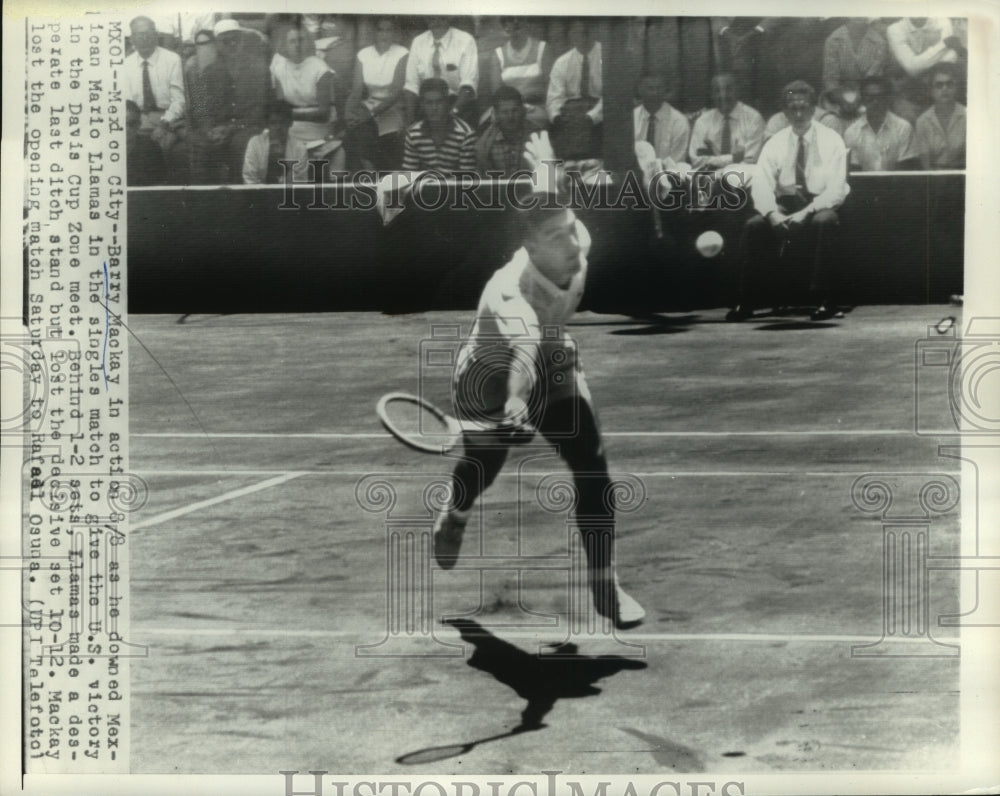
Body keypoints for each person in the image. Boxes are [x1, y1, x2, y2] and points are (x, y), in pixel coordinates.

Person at [432, 130, 645, 630]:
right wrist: (514, 402)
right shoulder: (512, 293)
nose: (573, 243)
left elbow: (557, 205)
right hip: (488, 375)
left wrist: (548, 166)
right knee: (485, 464)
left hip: (551, 356)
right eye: (556, 238)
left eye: (572, 229)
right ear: (529, 247)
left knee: (592, 463)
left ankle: (605, 584)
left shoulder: (572, 239)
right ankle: (455, 513)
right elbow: (521, 351)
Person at [727, 81, 850, 322]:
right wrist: (773, 214)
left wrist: (807, 212)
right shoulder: (775, 143)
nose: (798, 113)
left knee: (824, 222)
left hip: (819, 204)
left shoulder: (831, 139)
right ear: (784, 112)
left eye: (804, 107)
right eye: (792, 108)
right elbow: (761, 184)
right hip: (787, 204)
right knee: (754, 225)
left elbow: (836, 189)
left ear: (814, 108)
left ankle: (827, 301)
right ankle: (747, 301)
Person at [270, 23, 343, 180]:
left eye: (301, 40)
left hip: (319, 129)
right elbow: (280, 109)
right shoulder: (279, 68)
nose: (297, 45)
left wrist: (290, 114)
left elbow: (324, 113)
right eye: (292, 41)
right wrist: (288, 116)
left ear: (308, 42)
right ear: (285, 44)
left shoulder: (320, 68)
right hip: (292, 128)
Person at [123, 16, 186, 182]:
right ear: (132, 38)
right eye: (138, 34)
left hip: (166, 116)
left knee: (160, 147)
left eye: (147, 33)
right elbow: (128, 104)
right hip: (139, 117)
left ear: (156, 34)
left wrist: (165, 124)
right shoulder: (125, 64)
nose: (143, 38)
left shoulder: (172, 59)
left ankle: (162, 190)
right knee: (133, 146)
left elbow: (179, 100)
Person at [345, 16, 408, 172]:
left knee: (388, 143)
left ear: (395, 33)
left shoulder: (402, 53)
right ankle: (370, 175)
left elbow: (396, 92)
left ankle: (388, 180)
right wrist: (349, 115)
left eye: (389, 30)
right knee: (354, 134)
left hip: (393, 108)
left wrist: (370, 115)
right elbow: (357, 90)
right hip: (369, 106)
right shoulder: (364, 54)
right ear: (374, 32)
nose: (384, 34)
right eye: (381, 29)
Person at [214, 19, 272, 183]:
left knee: (240, 145)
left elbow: (261, 108)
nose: (232, 44)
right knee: (194, 146)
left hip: (248, 126)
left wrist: (231, 128)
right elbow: (199, 109)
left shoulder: (259, 69)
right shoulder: (208, 72)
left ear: (242, 41)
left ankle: (240, 199)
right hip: (216, 129)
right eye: (226, 41)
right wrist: (209, 130)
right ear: (218, 44)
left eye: (236, 39)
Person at [403, 17, 479, 126]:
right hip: (427, 106)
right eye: (432, 17)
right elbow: (411, 85)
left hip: (458, 105)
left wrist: (451, 115)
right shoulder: (418, 41)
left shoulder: (466, 40)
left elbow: (468, 86)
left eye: (441, 17)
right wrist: (410, 121)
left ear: (449, 17)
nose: (436, 21)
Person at [483, 18, 551, 130]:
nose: (515, 22)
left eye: (519, 18)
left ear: (527, 22)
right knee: (488, 125)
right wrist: (514, 105)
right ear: (505, 27)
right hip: (507, 109)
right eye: (510, 19)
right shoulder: (498, 54)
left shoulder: (542, 48)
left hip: (537, 107)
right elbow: (497, 92)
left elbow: (550, 88)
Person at [185, 30, 234, 184]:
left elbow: (235, 103)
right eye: (199, 44)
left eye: (206, 43)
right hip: (207, 127)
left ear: (214, 44)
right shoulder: (194, 71)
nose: (203, 48)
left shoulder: (227, 66)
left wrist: (227, 127)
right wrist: (208, 129)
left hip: (229, 125)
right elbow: (199, 108)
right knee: (200, 147)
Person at [688, 72, 765, 170]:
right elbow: (696, 161)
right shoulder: (703, 121)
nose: (723, 95)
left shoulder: (753, 119)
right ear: (711, 95)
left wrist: (716, 162)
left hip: (743, 179)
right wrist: (733, 158)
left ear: (737, 90)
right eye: (717, 90)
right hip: (709, 178)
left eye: (728, 89)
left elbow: (751, 160)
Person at [401, 78, 477, 173]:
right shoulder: (413, 133)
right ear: (422, 105)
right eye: (429, 103)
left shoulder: (466, 134)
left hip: (454, 186)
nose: (434, 108)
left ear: (447, 103)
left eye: (439, 102)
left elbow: (467, 178)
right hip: (425, 185)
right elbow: (409, 173)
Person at [843, 76, 919, 171]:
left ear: (888, 99)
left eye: (880, 97)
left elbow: (905, 169)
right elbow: (854, 172)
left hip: (897, 184)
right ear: (863, 100)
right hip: (863, 185)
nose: (875, 102)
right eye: (870, 98)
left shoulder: (903, 128)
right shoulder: (851, 132)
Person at [476, 85, 536, 176]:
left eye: (514, 111)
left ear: (522, 111)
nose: (510, 117)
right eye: (505, 112)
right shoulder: (485, 144)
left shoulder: (536, 138)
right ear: (496, 114)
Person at [915, 63, 966, 170]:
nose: (944, 89)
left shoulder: (969, 116)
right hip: (935, 179)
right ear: (931, 90)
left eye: (949, 84)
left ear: (956, 87)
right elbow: (926, 165)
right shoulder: (922, 121)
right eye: (939, 85)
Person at [633, 73, 690, 165]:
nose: (655, 93)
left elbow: (675, 162)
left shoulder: (679, 121)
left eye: (659, 88)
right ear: (640, 90)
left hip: (668, 176)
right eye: (650, 88)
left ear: (665, 91)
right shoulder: (631, 118)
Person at [822, 18, 889, 92]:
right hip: (840, 92)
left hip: (868, 92)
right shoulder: (833, 40)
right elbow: (831, 78)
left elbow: (873, 77)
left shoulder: (879, 42)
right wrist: (837, 95)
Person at [886, 17, 963, 78]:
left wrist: (920, 63)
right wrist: (944, 44)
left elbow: (948, 60)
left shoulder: (943, 22)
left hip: (939, 80)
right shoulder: (895, 29)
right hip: (908, 84)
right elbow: (912, 68)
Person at [125, 100, 166, 186]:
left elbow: (159, 186)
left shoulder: (151, 148)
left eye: (131, 124)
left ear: (139, 125)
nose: (126, 129)